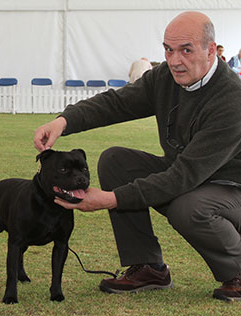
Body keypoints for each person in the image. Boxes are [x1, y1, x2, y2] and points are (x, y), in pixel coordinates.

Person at [34, 11, 241, 301]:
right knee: (116, 161)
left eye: (186, 50)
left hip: (230, 188)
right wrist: (63, 121)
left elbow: (183, 177)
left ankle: (238, 272)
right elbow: (116, 103)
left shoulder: (232, 99)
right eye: (168, 50)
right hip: (190, 175)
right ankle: (148, 266)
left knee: (189, 206)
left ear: (210, 50)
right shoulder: (165, 78)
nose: (174, 60)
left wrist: (109, 199)